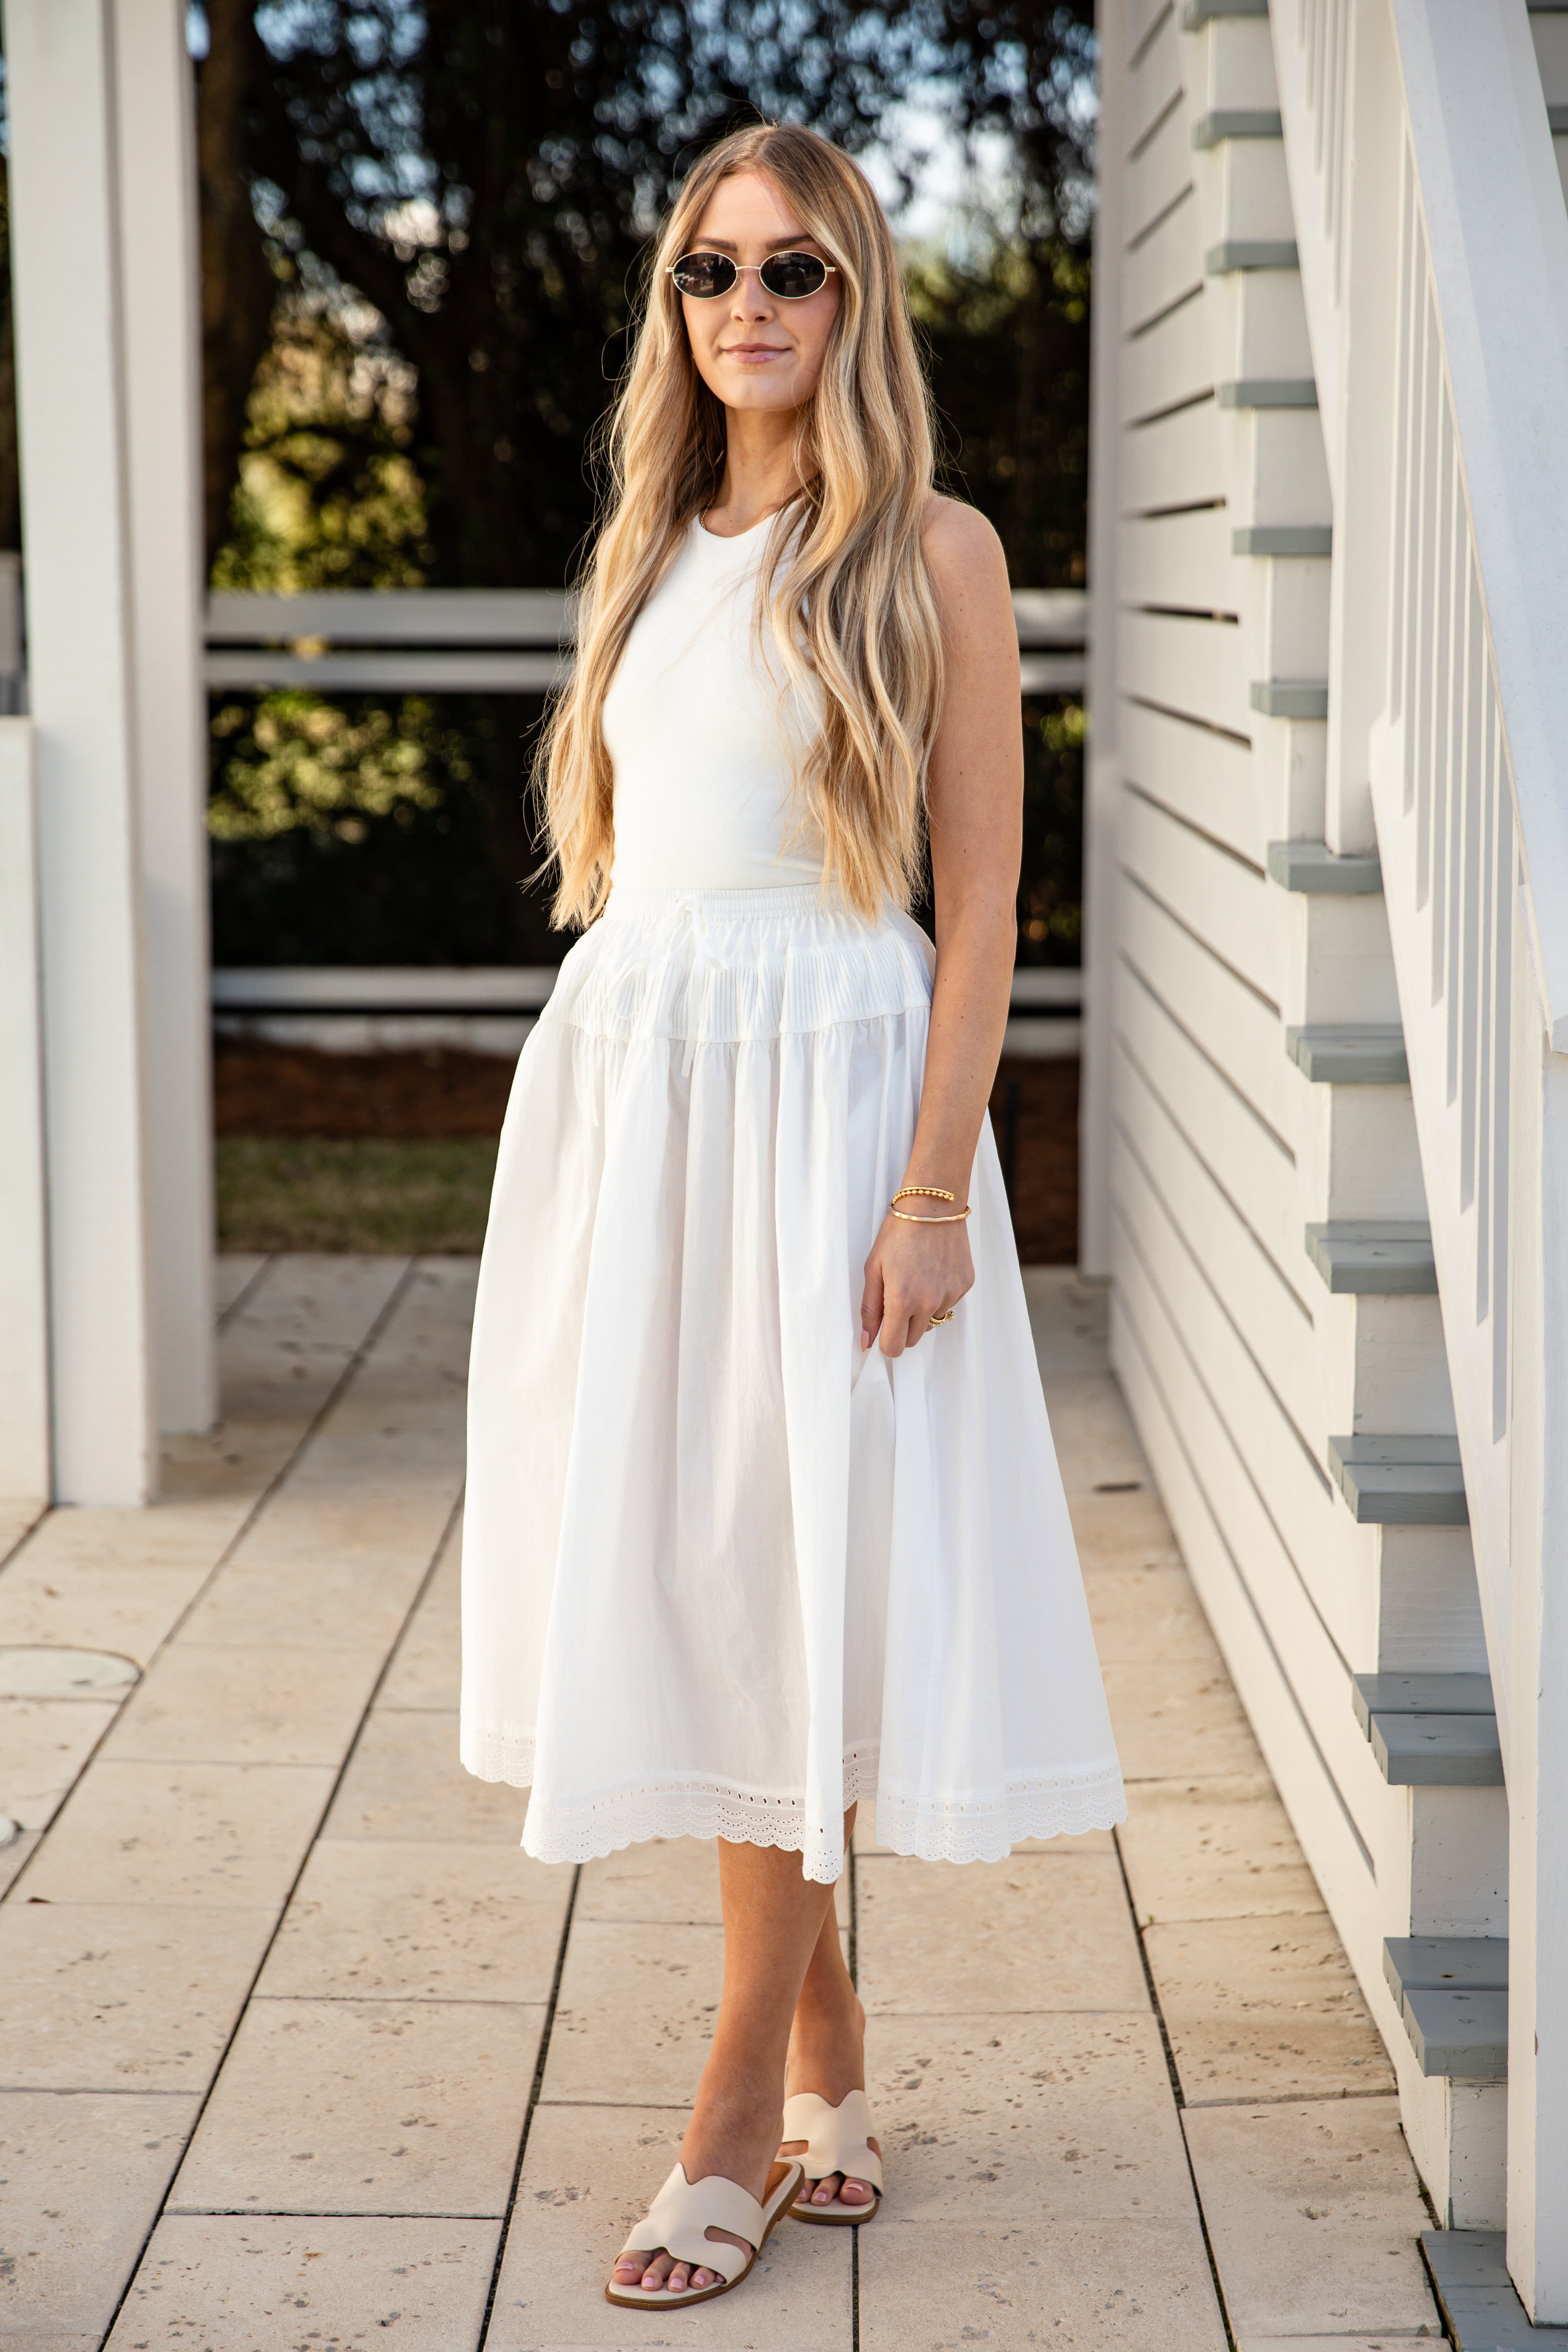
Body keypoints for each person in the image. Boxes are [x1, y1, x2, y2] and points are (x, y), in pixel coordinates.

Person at [460, 117, 1125, 2311]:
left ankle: (739, 2095)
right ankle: (834, 2039)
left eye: (793, 270)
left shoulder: (929, 549)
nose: (744, 304)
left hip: (830, 1104)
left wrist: (936, 1186)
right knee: (719, 1570)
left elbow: (980, 912)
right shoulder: (647, 540)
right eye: (708, 271)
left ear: (858, 297)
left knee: (781, 1578)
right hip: (646, 1099)